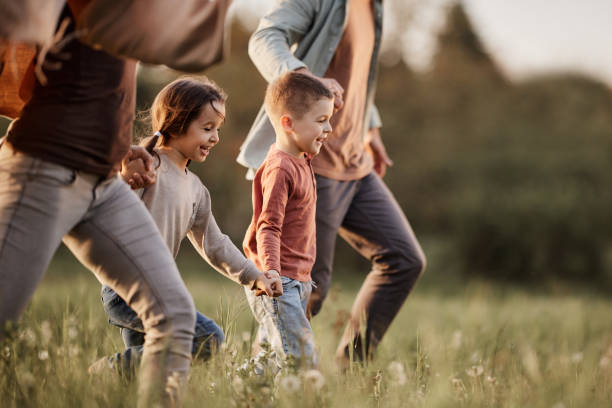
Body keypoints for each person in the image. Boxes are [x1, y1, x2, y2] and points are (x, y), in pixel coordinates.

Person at [0, 5, 194, 406]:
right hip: (43, 168)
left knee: (174, 317)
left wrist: (121, 147)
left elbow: (95, 81)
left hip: (103, 183)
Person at [237, 0, 427, 367]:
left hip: (356, 161)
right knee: (305, 290)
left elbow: (357, 75)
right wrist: (304, 77)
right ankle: (261, 384)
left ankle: (350, 370)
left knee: (404, 259)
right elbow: (264, 37)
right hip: (312, 167)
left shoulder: (374, 7)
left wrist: (369, 127)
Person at [92, 77, 283, 376]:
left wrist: (253, 276)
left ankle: (114, 378)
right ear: (177, 122)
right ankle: (105, 372)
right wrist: (124, 173)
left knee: (148, 376)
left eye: (217, 129)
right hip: (126, 288)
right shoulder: (146, 166)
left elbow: (215, 244)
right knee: (207, 339)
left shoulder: (196, 190)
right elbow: (109, 206)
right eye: (207, 128)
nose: (216, 138)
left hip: (156, 287)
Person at [242, 71, 334, 370]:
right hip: (279, 281)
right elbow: (267, 226)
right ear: (288, 123)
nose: (329, 128)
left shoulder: (302, 159)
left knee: (268, 360)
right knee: (302, 363)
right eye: (321, 121)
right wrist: (270, 271)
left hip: (298, 280)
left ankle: (238, 394)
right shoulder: (280, 168)